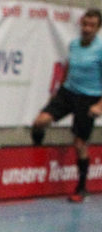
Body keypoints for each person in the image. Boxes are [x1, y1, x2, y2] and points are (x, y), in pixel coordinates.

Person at [31, 8, 102, 202]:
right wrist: (57, 93)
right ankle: (36, 148)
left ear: (98, 28)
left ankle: (81, 187)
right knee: (40, 121)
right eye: (85, 24)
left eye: (92, 26)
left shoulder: (101, 49)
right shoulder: (74, 45)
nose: (87, 29)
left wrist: (99, 106)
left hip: (89, 98)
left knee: (79, 143)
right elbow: (68, 68)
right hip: (68, 92)